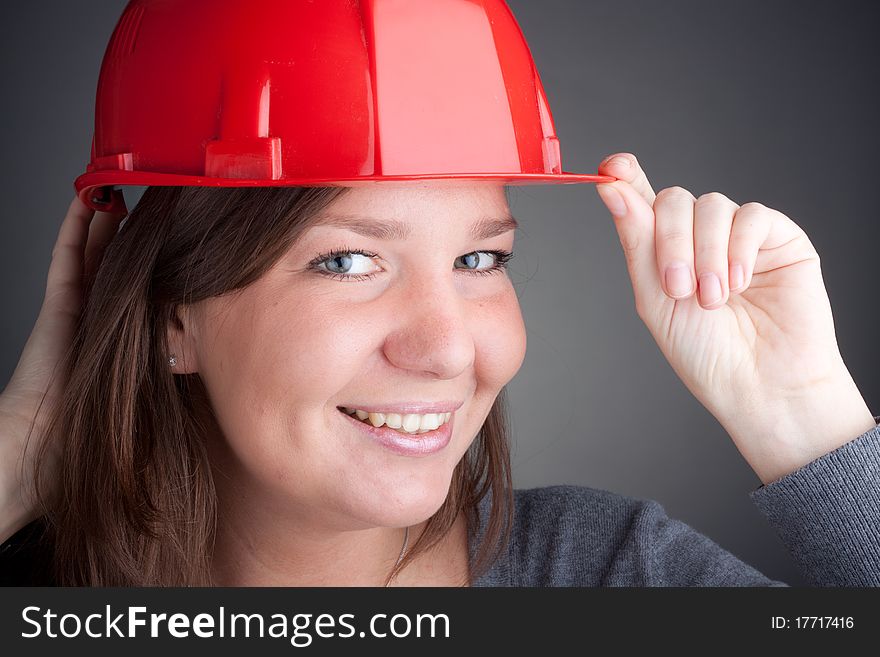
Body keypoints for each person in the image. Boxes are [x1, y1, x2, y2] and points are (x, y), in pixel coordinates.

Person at [1, 153, 878, 586]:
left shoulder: (604, 575)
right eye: (347, 261)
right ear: (171, 322)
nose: (451, 349)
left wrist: (802, 417)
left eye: (479, 261)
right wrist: (23, 453)